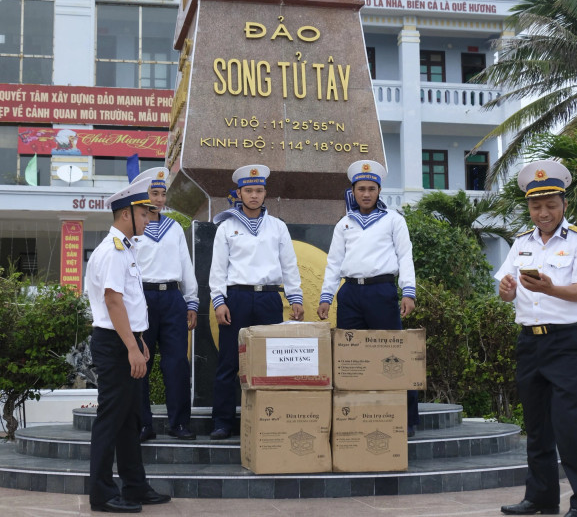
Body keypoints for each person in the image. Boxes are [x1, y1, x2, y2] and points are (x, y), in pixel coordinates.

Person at [496, 160, 577, 517]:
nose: (543, 213)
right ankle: (541, 497)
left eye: (551, 205)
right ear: (529, 207)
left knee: (572, 428)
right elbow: (507, 291)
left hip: (565, 342)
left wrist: (551, 289)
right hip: (530, 343)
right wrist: (506, 290)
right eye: (536, 206)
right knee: (537, 427)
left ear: (564, 204)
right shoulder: (521, 242)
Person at [84, 176, 171, 513]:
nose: (149, 219)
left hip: (127, 339)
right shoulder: (113, 251)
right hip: (114, 344)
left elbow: (130, 305)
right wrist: (132, 347)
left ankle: (134, 486)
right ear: (126, 214)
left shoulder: (127, 249)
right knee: (111, 418)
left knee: (130, 419)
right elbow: (113, 301)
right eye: (144, 213)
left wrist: (140, 339)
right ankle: (102, 493)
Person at [316, 160, 420, 435]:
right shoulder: (344, 224)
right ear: (353, 190)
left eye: (371, 189)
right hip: (350, 293)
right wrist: (326, 296)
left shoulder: (394, 220)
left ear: (379, 191)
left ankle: (406, 418)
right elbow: (334, 263)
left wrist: (408, 291)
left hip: (381, 291)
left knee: (393, 355)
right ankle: (356, 414)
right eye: (361, 189)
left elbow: (405, 256)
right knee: (352, 358)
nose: (366, 194)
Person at [208, 164, 304, 439]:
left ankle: (269, 418)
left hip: (268, 298)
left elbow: (289, 265)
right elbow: (218, 269)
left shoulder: (277, 227)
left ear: (265, 194)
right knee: (229, 362)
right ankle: (223, 422)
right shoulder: (226, 227)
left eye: (259, 190)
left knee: (271, 362)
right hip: (236, 298)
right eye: (248, 190)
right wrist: (219, 301)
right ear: (238, 193)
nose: (254, 195)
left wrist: (295, 297)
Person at [133, 167, 199, 442]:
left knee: (177, 363)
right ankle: (142, 424)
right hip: (142, 298)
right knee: (140, 363)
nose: (159, 199)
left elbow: (185, 264)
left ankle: (179, 423)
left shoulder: (174, 228)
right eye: (154, 193)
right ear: (143, 195)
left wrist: (191, 300)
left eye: (162, 194)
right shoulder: (133, 229)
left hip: (172, 298)